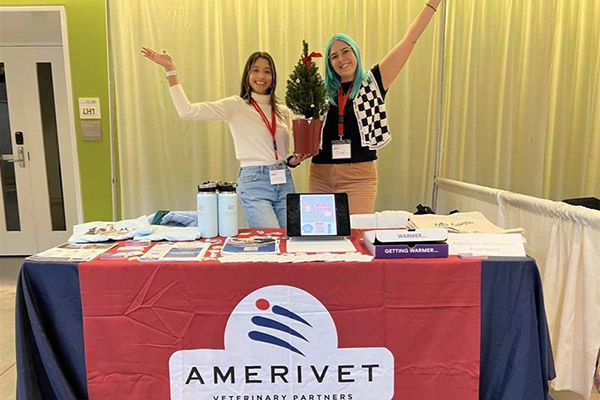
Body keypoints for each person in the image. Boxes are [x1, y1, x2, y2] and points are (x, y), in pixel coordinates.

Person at [141, 47, 310, 228]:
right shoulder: (236, 105)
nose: (261, 76)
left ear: (273, 77)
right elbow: (187, 111)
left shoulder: (282, 110)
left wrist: (294, 159)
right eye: (256, 70)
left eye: (267, 71)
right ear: (247, 75)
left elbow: (283, 155)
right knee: (271, 237)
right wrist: (170, 70)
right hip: (255, 181)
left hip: (283, 180)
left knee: (291, 238)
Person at [309, 0, 444, 214]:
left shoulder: (373, 81)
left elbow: (409, 41)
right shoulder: (320, 91)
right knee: (321, 236)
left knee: (354, 236)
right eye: (334, 56)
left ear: (356, 53)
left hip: (358, 178)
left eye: (345, 51)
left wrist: (432, 5)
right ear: (328, 63)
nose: (341, 59)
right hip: (320, 175)